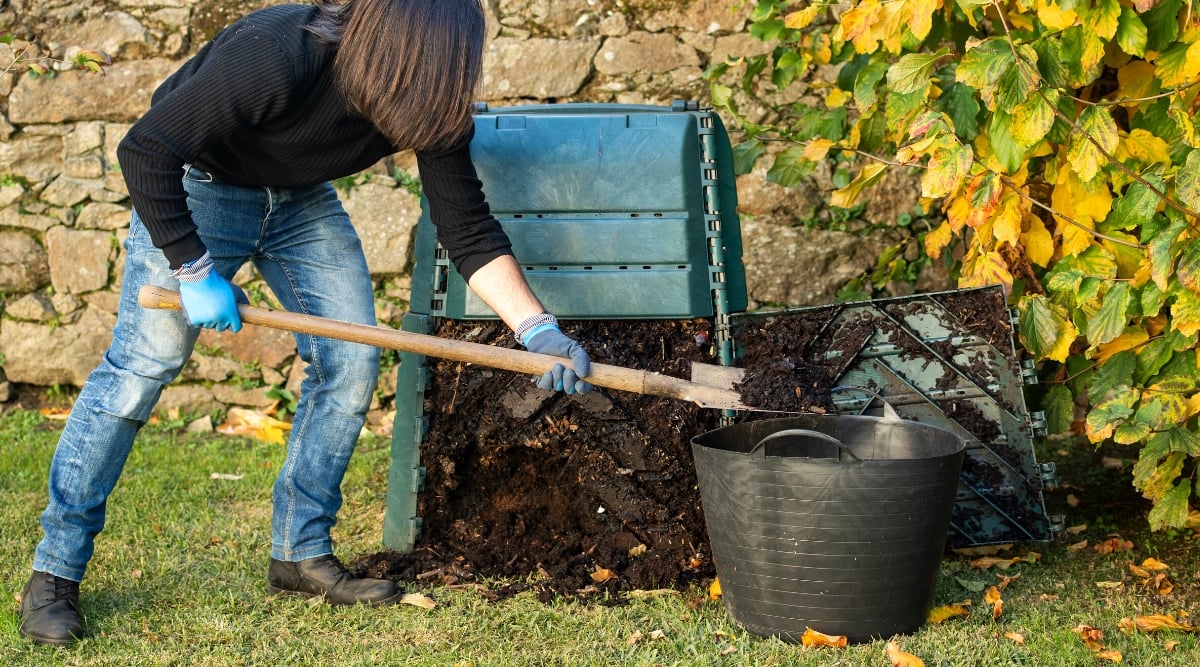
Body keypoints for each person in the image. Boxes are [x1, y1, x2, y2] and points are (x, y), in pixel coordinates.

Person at [18, 0, 593, 648]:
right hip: (197, 185)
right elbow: (146, 148)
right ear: (412, 50)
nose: (460, 76)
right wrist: (194, 267)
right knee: (138, 372)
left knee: (348, 363)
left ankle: (299, 552)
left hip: (297, 201)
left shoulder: (427, 103)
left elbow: (469, 230)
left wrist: (536, 327)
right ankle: (53, 575)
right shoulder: (277, 50)